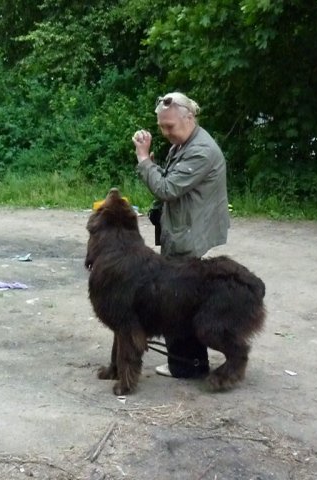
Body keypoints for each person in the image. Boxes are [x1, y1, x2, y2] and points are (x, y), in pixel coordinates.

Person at [131, 91, 230, 379]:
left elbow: (167, 189)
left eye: (170, 126)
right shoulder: (186, 142)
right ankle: (185, 361)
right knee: (179, 297)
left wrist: (143, 159)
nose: (165, 132)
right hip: (183, 227)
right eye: (161, 126)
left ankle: (188, 366)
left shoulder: (201, 151)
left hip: (189, 234)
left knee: (179, 300)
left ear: (189, 118)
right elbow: (169, 181)